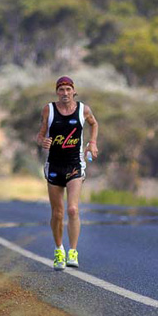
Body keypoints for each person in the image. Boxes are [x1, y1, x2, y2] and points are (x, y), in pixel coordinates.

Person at [36, 76, 98, 270]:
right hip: (54, 165)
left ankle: (73, 251)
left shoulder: (83, 109)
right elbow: (40, 134)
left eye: (68, 89)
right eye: (61, 89)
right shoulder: (49, 109)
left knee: (72, 209)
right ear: (57, 92)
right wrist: (43, 141)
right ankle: (58, 250)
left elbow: (94, 124)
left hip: (74, 164)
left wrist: (92, 143)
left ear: (74, 91)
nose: (65, 93)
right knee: (57, 213)